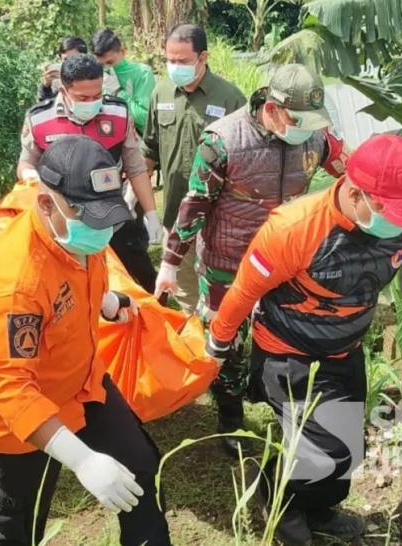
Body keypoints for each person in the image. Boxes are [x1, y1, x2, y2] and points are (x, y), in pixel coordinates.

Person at [207, 135, 402, 544]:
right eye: (386, 209)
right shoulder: (294, 228)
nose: (396, 222)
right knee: (324, 450)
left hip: (345, 350)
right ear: (353, 190)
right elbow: (243, 291)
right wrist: (218, 343)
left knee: (348, 451)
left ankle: (318, 508)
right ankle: (280, 499)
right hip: (289, 352)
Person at [0, 135, 172, 546]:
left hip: (82, 383)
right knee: (23, 519)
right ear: (46, 204)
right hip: (18, 417)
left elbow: (74, 282)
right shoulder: (15, 284)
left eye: (109, 218)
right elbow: (11, 387)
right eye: (90, 218)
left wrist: (105, 301)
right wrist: (83, 460)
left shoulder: (74, 233)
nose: (102, 231)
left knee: (140, 469)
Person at [155, 64, 352, 457]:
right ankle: (230, 419)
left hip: (288, 261)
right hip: (227, 262)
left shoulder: (315, 138)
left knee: (287, 340)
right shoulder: (222, 140)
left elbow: (350, 171)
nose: (305, 129)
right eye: (298, 119)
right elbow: (194, 205)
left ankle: (282, 408)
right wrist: (169, 263)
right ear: (274, 107)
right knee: (225, 343)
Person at [17, 54, 161, 293]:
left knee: (141, 272)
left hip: (109, 208)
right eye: (83, 98)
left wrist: (151, 212)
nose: (92, 103)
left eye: (97, 96)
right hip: (67, 214)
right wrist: (32, 177)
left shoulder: (118, 114)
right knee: (71, 279)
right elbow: (24, 164)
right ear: (63, 91)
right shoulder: (39, 119)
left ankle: (155, 319)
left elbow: (135, 166)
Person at [141, 23, 246, 312]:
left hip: (218, 219)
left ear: (203, 57)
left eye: (183, 61)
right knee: (184, 290)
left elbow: (246, 158)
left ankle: (222, 345)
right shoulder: (161, 92)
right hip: (175, 214)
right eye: (170, 60)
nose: (175, 67)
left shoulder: (231, 99)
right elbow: (149, 148)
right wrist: (135, 199)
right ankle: (194, 347)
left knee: (220, 294)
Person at [92, 28, 156, 135]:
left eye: (110, 62)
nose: (107, 68)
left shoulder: (141, 73)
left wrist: (118, 92)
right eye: (101, 65)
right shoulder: (94, 74)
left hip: (135, 142)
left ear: (122, 51)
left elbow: (146, 119)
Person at [38, 36, 88, 102]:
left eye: (74, 59)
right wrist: (46, 86)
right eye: (66, 59)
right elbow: (44, 104)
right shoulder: (56, 77)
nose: (70, 63)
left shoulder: (96, 77)